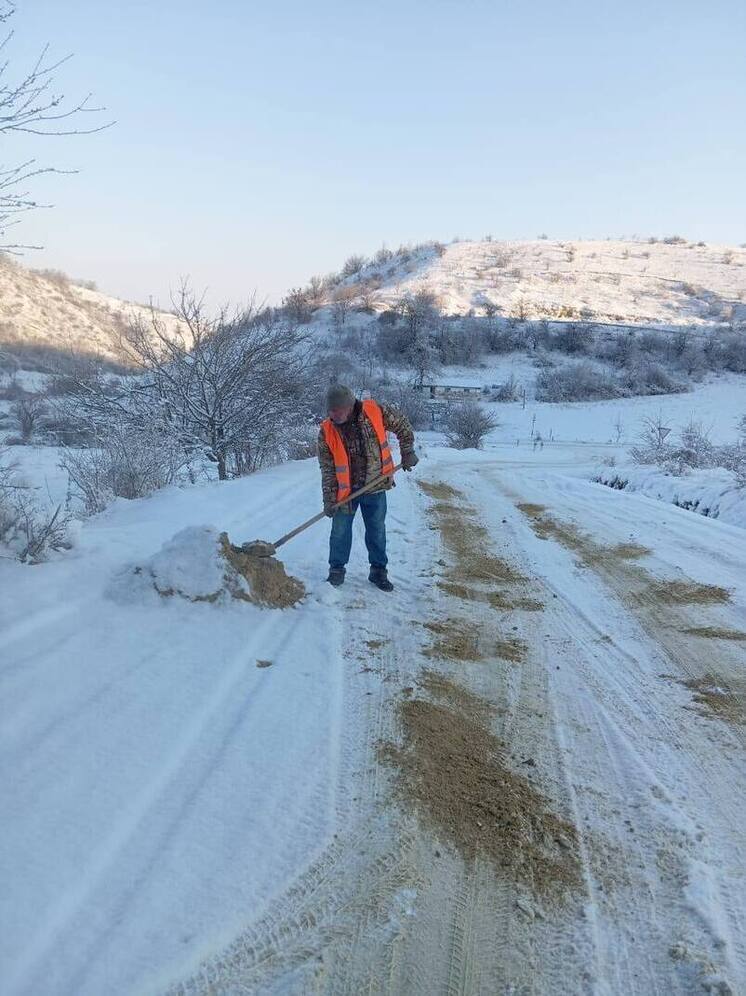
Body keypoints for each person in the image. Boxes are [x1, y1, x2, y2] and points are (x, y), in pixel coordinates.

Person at [317, 385, 418, 590]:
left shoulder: (375, 412)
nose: (333, 415)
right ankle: (336, 570)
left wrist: (407, 451)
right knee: (339, 531)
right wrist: (329, 499)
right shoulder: (326, 431)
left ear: (350, 405)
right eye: (330, 411)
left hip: (376, 485)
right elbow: (327, 469)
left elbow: (402, 424)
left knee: (376, 531)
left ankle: (378, 571)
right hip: (345, 493)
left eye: (337, 410)